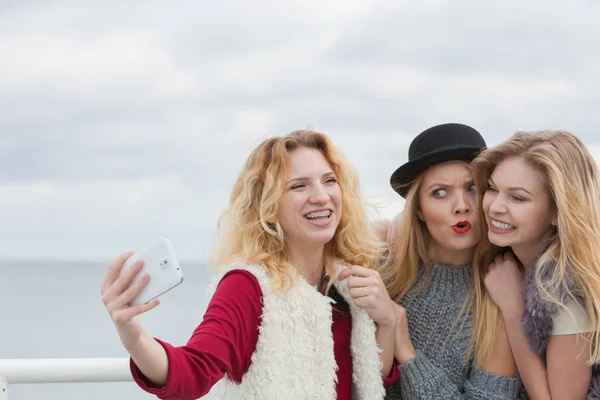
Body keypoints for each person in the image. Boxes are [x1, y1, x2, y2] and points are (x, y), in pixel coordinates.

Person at [100, 129, 399, 400]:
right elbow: (192, 373)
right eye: (298, 186)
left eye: (329, 180)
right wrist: (134, 335)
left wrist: (387, 320)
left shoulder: (348, 279)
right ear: (267, 205)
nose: (321, 197)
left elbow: (370, 382)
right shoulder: (247, 285)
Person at [378, 123, 522, 399]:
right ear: (418, 209)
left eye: (472, 188)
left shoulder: (503, 288)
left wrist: (406, 350)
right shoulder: (383, 272)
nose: (461, 205)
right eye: (440, 192)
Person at [472, 129, 600, 399]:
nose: (495, 206)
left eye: (517, 198)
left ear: (557, 211)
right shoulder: (510, 256)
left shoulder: (567, 288)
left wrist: (512, 308)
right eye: (493, 189)